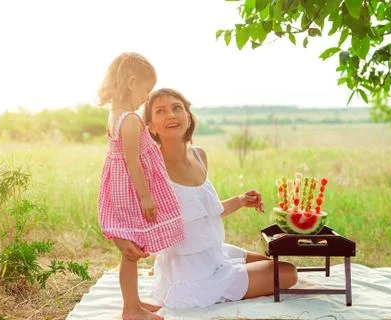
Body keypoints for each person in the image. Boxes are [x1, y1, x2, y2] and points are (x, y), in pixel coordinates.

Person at [143, 88, 298, 309]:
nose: (171, 115)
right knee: (288, 273)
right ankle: (196, 284)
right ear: (150, 126)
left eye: (177, 108)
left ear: (188, 116)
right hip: (191, 273)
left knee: (269, 263)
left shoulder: (199, 155)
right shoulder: (153, 166)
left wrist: (241, 199)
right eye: (161, 111)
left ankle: (233, 275)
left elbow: (205, 211)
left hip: (214, 253)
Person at [97, 54, 184, 320]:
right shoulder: (131, 119)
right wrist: (146, 196)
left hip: (119, 188)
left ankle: (133, 304)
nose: (146, 98)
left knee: (131, 253)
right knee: (131, 253)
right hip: (132, 192)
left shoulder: (116, 115)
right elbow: (133, 161)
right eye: (146, 90)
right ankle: (131, 309)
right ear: (132, 82)